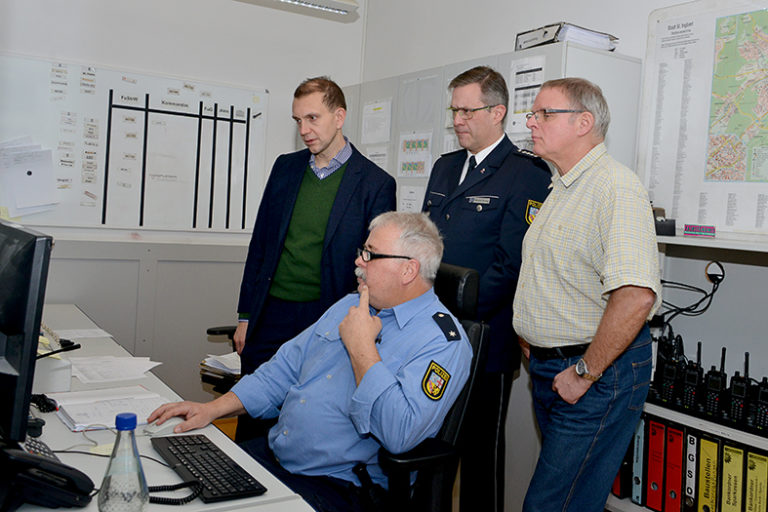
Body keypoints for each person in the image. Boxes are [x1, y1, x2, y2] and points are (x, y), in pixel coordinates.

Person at [150, 212, 472, 512]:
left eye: (371, 255)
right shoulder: (350, 303)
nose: (359, 261)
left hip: (338, 487)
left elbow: (399, 434)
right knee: (173, 483)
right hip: (276, 456)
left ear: (408, 270)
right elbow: (283, 369)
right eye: (363, 250)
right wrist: (212, 409)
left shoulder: (442, 342)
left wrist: (362, 348)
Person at [513, 77, 662, 512]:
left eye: (544, 114)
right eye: (532, 114)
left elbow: (636, 296)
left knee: (551, 506)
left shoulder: (614, 187)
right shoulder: (561, 185)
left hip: (596, 373)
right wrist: (533, 333)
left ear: (584, 122)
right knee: (571, 500)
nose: (531, 123)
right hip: (552, 366)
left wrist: (584, 372)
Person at [234, 77, 395, 438]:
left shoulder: (374, 183)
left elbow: (374, 268)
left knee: (310, 419)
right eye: (297, 121)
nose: (304, 130)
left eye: (312, 118)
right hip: (270, 313)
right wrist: (245, 315)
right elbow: (261, 244)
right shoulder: (285, 169)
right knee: (253, 414)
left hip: (326, 318)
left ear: (339, 117)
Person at [421, 65, 550, 512]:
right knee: (430, 449)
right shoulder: (444, 167)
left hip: (484, 339)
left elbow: (511, 265)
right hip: (430, 336)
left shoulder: (525, 173)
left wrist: (455, 312)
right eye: (454, 110)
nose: (458, 119)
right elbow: (425, 245)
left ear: (498, 112)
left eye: (467, 110)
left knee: (480, 458)